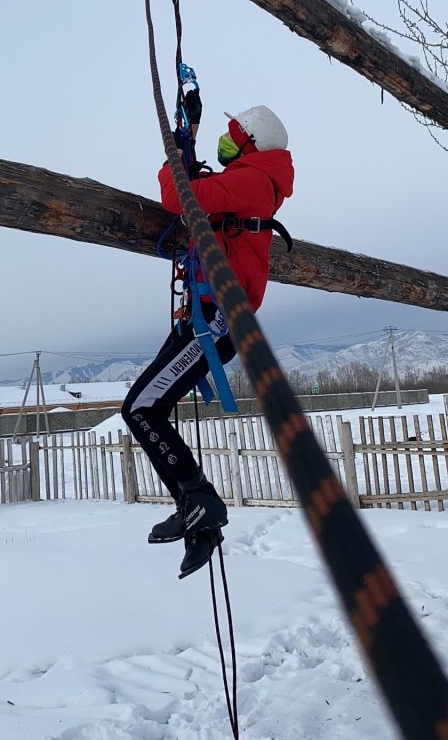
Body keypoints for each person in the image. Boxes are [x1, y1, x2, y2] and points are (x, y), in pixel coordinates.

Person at [122, 99, 294, 578]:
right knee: (145, 407)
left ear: (250, 143)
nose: (228, 138)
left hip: (217, 319)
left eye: (234, 132)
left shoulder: (252, 180)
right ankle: (199, 518)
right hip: (208, 314)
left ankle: (200, 502)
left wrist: (174, 160)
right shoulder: (251, 179)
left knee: (141, 409)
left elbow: (177, 196)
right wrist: (190, 138)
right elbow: (203, 196)